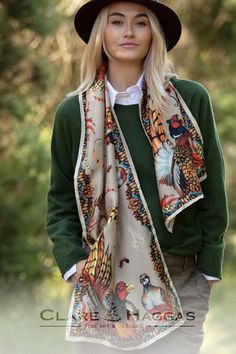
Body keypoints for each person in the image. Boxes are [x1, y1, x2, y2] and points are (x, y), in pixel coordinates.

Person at [46, 0, 228, 353]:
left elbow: (213, 190)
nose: (128, 32)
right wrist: (73, 264)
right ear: (101, 34)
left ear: (153, 35)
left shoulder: (190, 100)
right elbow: (60, 202)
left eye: (140, 23)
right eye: (116, 22)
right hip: (105, 281)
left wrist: (207, 271)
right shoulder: (73, 113)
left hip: (181, 279)